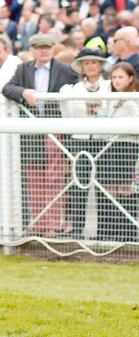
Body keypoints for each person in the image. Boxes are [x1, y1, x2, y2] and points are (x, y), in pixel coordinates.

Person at [3, 33, 79, 237]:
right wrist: (24, 92)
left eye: (47, 47)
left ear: (52, 48)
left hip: (56, 130)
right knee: (34, 179)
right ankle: (38, 224)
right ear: (33, 50)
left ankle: (52, 225)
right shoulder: (22, 69)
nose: (44, 50)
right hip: (32, 132)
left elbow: (77, 89)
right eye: (40, 47)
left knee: (55, 179)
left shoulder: (65, 69)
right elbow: (7, 88)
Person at [59, 47, 110, 237]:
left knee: (104, 185)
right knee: (78, 185)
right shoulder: (74, 88)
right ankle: (76, 229)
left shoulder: (109, 85)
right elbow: (68, 115)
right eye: (86, 63)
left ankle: (106, 231)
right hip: (79, 140)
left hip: (103, 140)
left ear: (101, 65)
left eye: (94, 63)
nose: (90, 67)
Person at [101, 62, 139, 241]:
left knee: (125, 187)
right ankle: (110, 229)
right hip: (110, 146)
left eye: (121, 77)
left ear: (131, 78)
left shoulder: (133, 99)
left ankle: (128, 230)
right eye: (114, 77)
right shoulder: (112, 97)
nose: (116, 81)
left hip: (127, 146)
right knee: (109, 187)